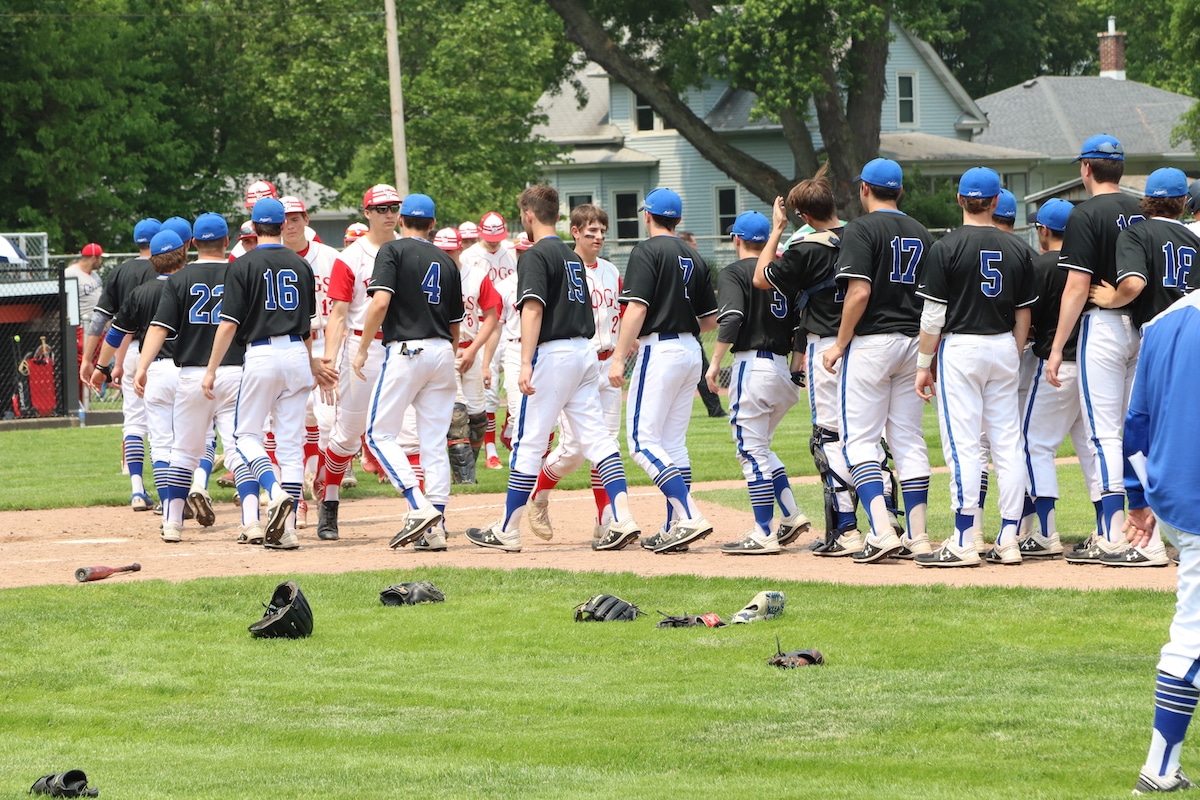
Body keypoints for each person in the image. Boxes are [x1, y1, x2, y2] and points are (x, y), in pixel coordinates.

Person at [466, 185, 640, 552]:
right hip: (585, 353)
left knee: (529, 442)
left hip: (555, 354)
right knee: (599, 440)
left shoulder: (535, 254)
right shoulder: (571, 256)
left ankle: (507, 529)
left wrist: (525, 362)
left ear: (528, 216)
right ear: (557, 216)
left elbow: (533, 309)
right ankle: (623, 517)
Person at [912, 167, 1037, 567]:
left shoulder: (945, 246)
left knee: (964, 444)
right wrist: (1012, 352)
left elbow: (933, 317)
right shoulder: (1017, 247)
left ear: (960, 200)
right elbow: (1024, 313)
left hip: (962, 346)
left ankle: (965, 538)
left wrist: (923, 364)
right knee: (1008, 443)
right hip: (1004, 345)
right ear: (996, 201)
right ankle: (1009, 538)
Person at [203, 197, 335, 550]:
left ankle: (274, 491)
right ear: (282, 225)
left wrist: (212, 368)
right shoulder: (301, 264)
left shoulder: (242, 264)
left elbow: (229, 324)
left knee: (245, 435)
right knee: (291, 445)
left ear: (254, 225)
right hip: (296, 351)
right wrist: (309, 362)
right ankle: (288, 530)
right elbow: (308, 326)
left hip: (261, 352)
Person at [821, 158, 933, 563]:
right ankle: (919, 537)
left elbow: (859, 292)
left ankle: (882, 531)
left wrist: (839, 344)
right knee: (908, 439)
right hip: (914, 342)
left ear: (864, 189)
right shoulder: (922, 232)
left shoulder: (861, 228)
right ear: (899, 191)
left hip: (872, 343)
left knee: (859, 440)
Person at [1088, 167, 1200, 567]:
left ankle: (1147, 539)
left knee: (1142, 430)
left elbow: (1133, 284)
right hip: (1194, 333)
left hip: (1160, 335)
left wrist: (1110, 299)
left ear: (1146, 200)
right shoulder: (1193, 236)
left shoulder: (1136, 232)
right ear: (1183, 202)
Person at [753, 164, 865, 556]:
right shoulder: (860, 236)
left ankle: (846, 530)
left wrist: (777, 229)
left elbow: (761, 277)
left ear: (804, 215)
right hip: (864, 343)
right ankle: (890, 525)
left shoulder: (804, 247)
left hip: (826, 346)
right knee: (868, 434)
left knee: (827, 436)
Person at [1045, 134, 1147, 563]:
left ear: (1087, 168)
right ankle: (1145, 535)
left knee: (1103, 433)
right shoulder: (1142, 209)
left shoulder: (1085, 214)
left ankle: (1114, 536)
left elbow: (1076, 287)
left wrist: (1057, 347)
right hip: (1143, 327)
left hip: (1103, 326)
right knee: (1134, 430)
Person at [134, 213, 257, 543]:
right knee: (239, 448)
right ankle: (251, 521)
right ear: (226, 242)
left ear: (192, 244)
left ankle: (173, 522)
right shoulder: (240, 273)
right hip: (236, 371)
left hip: (191, 374)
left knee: (183, 452)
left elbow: (159, 327)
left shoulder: (180, 279)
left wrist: (143, 366)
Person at [609, 188, 719, 554]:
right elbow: (710, 320)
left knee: (642, 442)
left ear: (647, 216)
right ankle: (674, 529)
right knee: (672, 444)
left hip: (661, 349)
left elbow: (637, 309)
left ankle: (689, 515)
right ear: (678, 219)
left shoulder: (647, 250)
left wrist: (618, 357)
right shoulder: (694, 255)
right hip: (690, 349)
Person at [353, 192, 463, 551]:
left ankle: (418, 505)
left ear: (401, 220)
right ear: (433, 224)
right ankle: (437, 528)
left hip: (407, 349)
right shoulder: (448, 262)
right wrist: (446, 355)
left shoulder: (393, 250)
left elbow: (380, 302)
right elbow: (455, 323)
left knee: (378, 434)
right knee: (434, 442)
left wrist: (362, 347)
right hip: (442, 350)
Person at [1123, 289, 1200, 793]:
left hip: (1173, 495)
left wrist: (1138, 497)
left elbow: (1137, 419)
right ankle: (1158, 769)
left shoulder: (1165, 320)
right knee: (1192, 640)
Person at [704, 211, 809, 555]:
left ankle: (763, 532)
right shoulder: (782, 274)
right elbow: (801, 327)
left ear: (736, 239)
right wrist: (795, 367)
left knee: (750, 451)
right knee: (760, 448)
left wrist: (715, 363)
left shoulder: (735, 271)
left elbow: (732, 318)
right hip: (782, 371)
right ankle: (791, 514)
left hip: (753, 368)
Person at [523, 204, 625, 543]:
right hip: (581, 362)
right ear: (576, 232)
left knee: (606, 443)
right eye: (591, 231)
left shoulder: (610, 270)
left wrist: (626, 348)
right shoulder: (569, 268)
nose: (598, 237)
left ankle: (605, 521)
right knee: (573, 450)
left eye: (602, 231)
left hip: (609, 362)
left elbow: (621, 312)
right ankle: (538, 495)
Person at [90, 229, 190, 541]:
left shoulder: (141, 292)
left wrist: (101, 367)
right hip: (192, 370)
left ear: (152, 260)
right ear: (183, 254)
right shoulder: (193, 285)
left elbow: (116, 333)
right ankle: (196, 488)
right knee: (193, 441)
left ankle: (169, 511)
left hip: (155, 368)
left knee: (160, 443)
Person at [318, 184, 402, 541]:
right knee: (349, 434)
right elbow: (338, 315)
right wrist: (329, 360)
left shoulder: (408, 249)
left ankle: (423, 513)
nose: (389, 214)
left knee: (408, 433)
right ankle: (329, 500)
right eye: (381, 208)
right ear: (367, 213)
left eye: (394, 207)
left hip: (403, 346)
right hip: (359, 349)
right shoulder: (351, 257)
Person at [1020, 198, 1101, 560]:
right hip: (1092, 367)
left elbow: (1027, 319)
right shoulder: (1092, 265)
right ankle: (1106, 529)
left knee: (1034, 444)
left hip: (1054, 367)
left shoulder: (1039, 265)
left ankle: (1045, 532)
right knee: (1091, 449)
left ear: (1044, 230)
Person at [83, 218, 160, 511]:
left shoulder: (120, 271)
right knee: (165, 423)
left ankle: (137, 489)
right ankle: (171, 493)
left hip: (129, 353)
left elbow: (101, 320)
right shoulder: (167, 268)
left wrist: (90, 360)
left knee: (134, 420)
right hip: (165, 352)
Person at [280, 195, 340, 528]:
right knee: (295, 422)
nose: (289, 225)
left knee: (331, 425)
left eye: (295, 218)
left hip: (327, 340)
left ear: (306, 219)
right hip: (291, 344)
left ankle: (319, 477)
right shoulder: (273, 257)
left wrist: (331, 353)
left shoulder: (330, 257)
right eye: (284, 219)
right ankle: (298, 499)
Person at [461, 211, 516, 469]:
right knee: (489, 390)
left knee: (519, 384)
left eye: (498, 238)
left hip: (511, 324)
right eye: (489, 238)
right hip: (484, 325)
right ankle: (490, 450)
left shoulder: (512, 252)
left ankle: (510, 430)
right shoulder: (469, 256)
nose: (494, 243)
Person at [449, 219, 501, 485]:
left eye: (451, 250)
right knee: (457, 416)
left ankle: (467, 469)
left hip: (472, 348)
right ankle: (465, 480)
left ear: (460, 249)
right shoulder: (429, 277)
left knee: (479, 420)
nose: (448, 255)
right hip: (446, 352)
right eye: (442, 250)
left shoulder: (476, 275)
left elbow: (492, 316)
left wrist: (476, 353)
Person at [678, 229, 727, 418]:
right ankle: (715, 410)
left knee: (701, 370)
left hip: (689, 330)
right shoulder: (690, 267)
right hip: (676, 331)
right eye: (693, 244)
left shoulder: (695, 267)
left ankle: (715, 409)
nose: (696, 247)